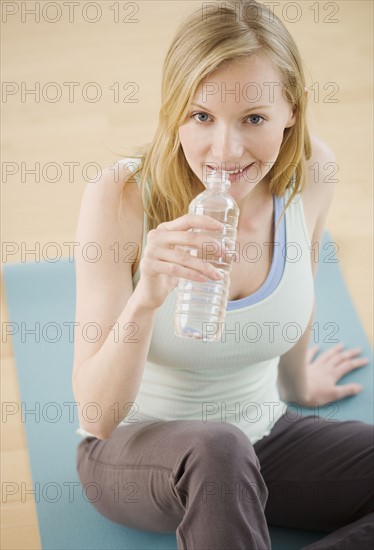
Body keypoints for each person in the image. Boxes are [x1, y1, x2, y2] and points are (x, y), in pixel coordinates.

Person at [73, 1, 373, 548]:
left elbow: (299, 280)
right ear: (173, 113)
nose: (225, 151)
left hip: (264, 438)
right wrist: (145, 299)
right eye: (201, 116)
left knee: (235, 447)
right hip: (136, 453)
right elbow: (97, 415)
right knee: (220, 448)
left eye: (254, 118)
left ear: (293, 112)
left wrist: (300, 382)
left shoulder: (311, 173)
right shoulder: (121, 195)